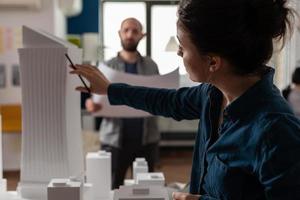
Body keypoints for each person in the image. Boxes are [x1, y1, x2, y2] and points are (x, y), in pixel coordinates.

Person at [71, 0, 300, 199]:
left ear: (212, 62)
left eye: (183, 45)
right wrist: (110, 89)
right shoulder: (212, 94)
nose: (179, 52)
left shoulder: (276, 131)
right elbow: (165, 100)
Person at [85, 17, 160, 189]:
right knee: (113, 187)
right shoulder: (106, 66)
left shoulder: (151, 66)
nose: (130, 34)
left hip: (146, 138)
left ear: (142, 35)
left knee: (145, 189)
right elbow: (96, 98)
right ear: (120, 33)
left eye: (135, 31)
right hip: (114, 140)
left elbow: (159, 96)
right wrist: (91, 105)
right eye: (126, 30)